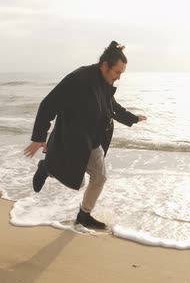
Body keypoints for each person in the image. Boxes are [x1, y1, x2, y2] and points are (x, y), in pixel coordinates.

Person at [24, 41, 147, 229]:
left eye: (121, 73)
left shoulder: (105, 82)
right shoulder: (78, 78)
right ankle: (47, 167)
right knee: (77, 181)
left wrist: (133, 118)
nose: (119, 77)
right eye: (117, 72)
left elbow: (111, 106)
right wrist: (39, 137)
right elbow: (48, 104)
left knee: (100, 178)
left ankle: (84, 215)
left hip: (93, 139)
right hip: (73, 140)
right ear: (105, 66)